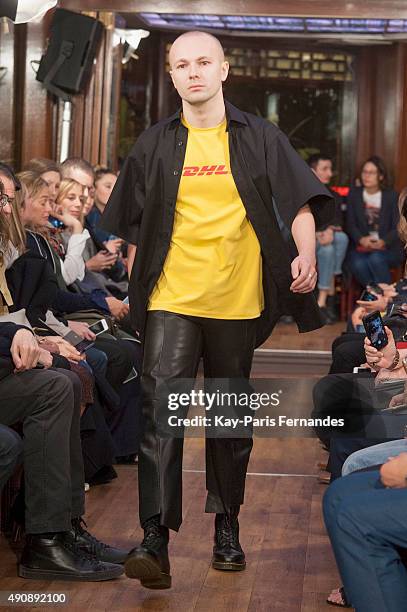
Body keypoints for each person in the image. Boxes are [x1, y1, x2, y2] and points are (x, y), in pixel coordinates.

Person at [100, 30, 333, 589]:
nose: (193, 73)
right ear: (174, 76)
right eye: (182, 65)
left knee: (229, 420)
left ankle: (228, 525)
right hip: (171, 298)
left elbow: (299, 202)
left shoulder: (260, 137)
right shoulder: (155, 143)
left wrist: (305, 254)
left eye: (204, 62)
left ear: (224, 70)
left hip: (237, 300)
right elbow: (130, 225)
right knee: (161, 413)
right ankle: (155, 537)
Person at [346, 155, 403, 286]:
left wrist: (384, 241)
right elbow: (350, 224)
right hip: (362, 247)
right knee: (357, 263)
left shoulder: (392, 196)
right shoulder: (354, 195)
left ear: (381, 176)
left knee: (376, 259)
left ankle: (380, 300)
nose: (366, 176)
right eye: (364, 172)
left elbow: (398, 226)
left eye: (371, 173)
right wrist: (361, 239)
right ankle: (380, 297)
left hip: (388, 248)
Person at [308, 154, 349, 324]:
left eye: (330, 169)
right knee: (334, 244)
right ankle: (329, 294)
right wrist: (317, 233)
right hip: (307, 242)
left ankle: (321, 301)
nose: (330, 173)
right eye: (325, 169)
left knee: (338, 240)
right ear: (312, 171)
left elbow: (338, 220)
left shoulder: (334, 195)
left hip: (326, 242)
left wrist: (330, 230)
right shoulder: (304, 193)